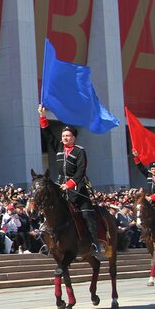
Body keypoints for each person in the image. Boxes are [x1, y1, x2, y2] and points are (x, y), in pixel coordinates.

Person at [39, 105, 100, 253]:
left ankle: (94, 244)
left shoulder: (80, 151)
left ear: (74, 137)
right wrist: (42, 116)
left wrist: (70, 184)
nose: (65, 138)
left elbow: (81, 171)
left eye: (68, 136)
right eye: (63, 135)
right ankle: (48, 243)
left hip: (78, 188)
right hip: (61, 186)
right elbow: (48, 134)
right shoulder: (59, 147)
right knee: (51, 210)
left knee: (86, 214)